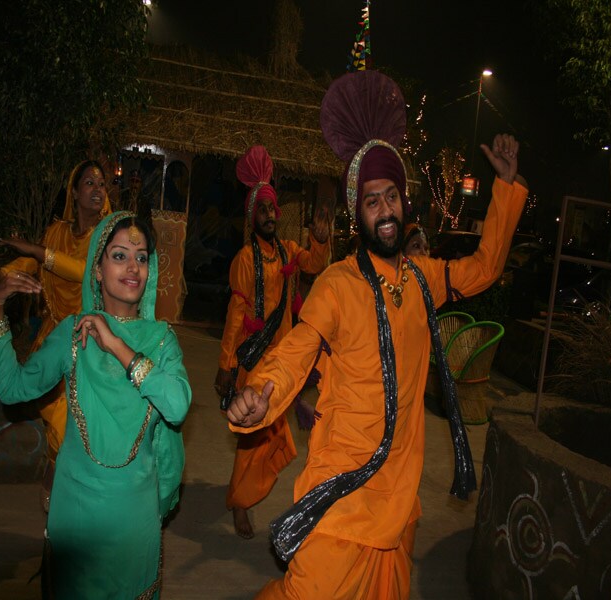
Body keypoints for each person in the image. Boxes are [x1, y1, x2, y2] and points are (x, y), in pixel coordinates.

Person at [226, 70, 528, 598]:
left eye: (391, 197)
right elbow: (298, 348)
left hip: (398, 494)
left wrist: (504, 188)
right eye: (372, 201)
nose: (385, 209)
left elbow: (482, 268)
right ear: (357, 213)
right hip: (342, 488)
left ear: (404, 203)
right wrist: (263, 390)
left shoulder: (422, 278)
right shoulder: (339, 284)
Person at [0, 212, 191, 597]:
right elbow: (13, 390)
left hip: (134, 519)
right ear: (96, 270)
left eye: (142, 257)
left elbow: (177, 407)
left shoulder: (162, 340)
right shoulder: (72, 333)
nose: (133, 267)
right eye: (119, 256)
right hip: (75, 515)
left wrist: (116, 345)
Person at [215, 145, 331, 539]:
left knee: (273, 436)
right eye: (261, 210)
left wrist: (319, 241)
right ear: (252, 217)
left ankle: (248, 493)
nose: (268, 215)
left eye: (272, 209)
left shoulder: (289, 251)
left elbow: (315, 266)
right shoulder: (245, 260)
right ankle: (240, 502)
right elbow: (235, 314)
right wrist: (226, 364)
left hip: (285, 366)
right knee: (251, 439)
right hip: (253, 364)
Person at [0, 160, 112, 510]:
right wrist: (5, 273)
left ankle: (60, 481)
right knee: (59, 420)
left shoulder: (106, 236)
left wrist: (34, 249)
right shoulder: (57, 232)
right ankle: (57, 476)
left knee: (78, 425)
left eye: (101, 184)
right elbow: (33, 265)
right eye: (88, 182)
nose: (97, 189)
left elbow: (83, 272)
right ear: (74, 191)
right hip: (53, 339)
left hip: (89, 341)